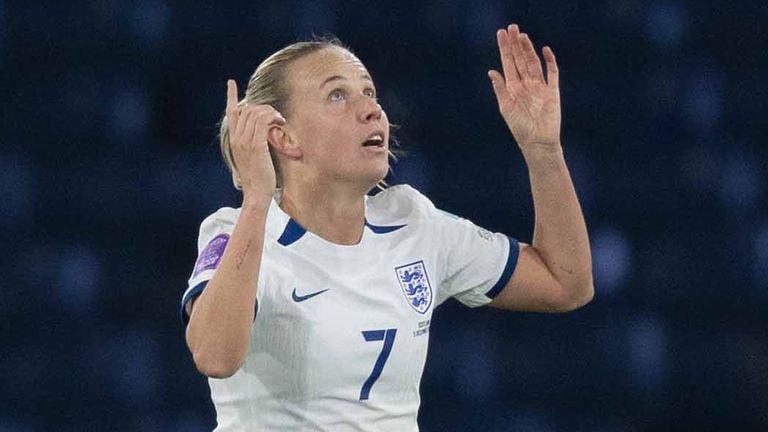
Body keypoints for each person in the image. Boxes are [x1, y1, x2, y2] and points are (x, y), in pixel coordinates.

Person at [181, 23, 593, 431]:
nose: (371, 110)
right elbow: (214, 356)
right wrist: (256, 199)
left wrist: (543, 151)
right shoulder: (236, 232)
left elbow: (566, 282)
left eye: (370, 93)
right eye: (337, 95)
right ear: (283, 137)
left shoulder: (413, 222)